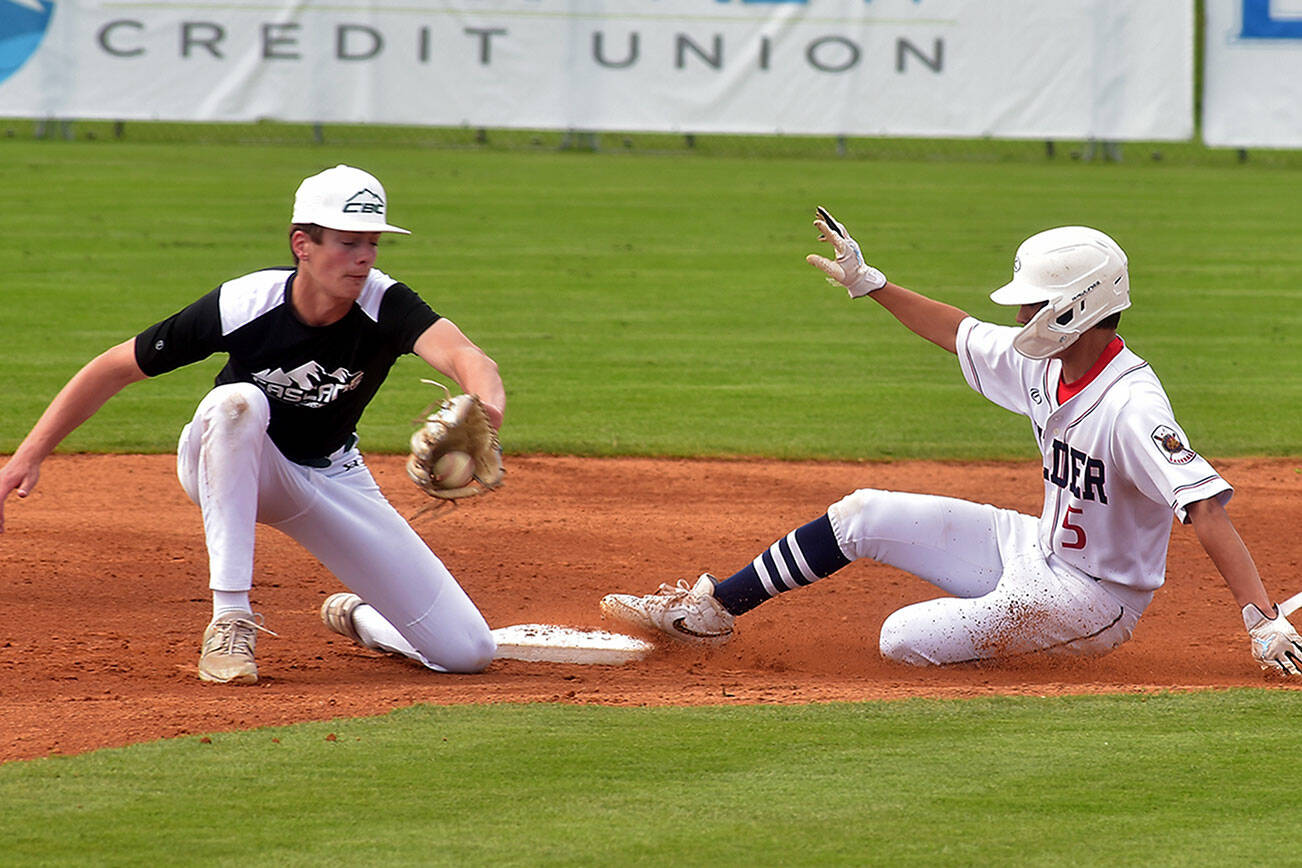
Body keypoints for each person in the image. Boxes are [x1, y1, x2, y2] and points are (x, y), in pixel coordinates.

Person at [601, 208, 1302, 675]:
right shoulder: (1044, 361)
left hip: (1093, 602)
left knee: (901, 638)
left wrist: (1259, 621)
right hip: (1035, 547)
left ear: (1076, 306)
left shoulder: (1131, 405)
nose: (1022, 312)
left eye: (1033, 302)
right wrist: (870, 284)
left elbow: (1204, 507)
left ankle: (1281, 619)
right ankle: (710, 612)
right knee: (865, 511)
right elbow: (959, 331)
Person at [0, 164, 504, 684]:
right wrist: (26, 457)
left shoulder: (385, 303)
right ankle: (230, 617)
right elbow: (113, 368)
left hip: (330, 477)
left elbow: (468, 358)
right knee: (236, 402)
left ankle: (361, 618)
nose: (364, 258)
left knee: (466, 652)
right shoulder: (244, 303)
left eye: (373, 243)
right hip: (225, 458)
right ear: (302, 244)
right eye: (348, 242)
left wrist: (485, 414)